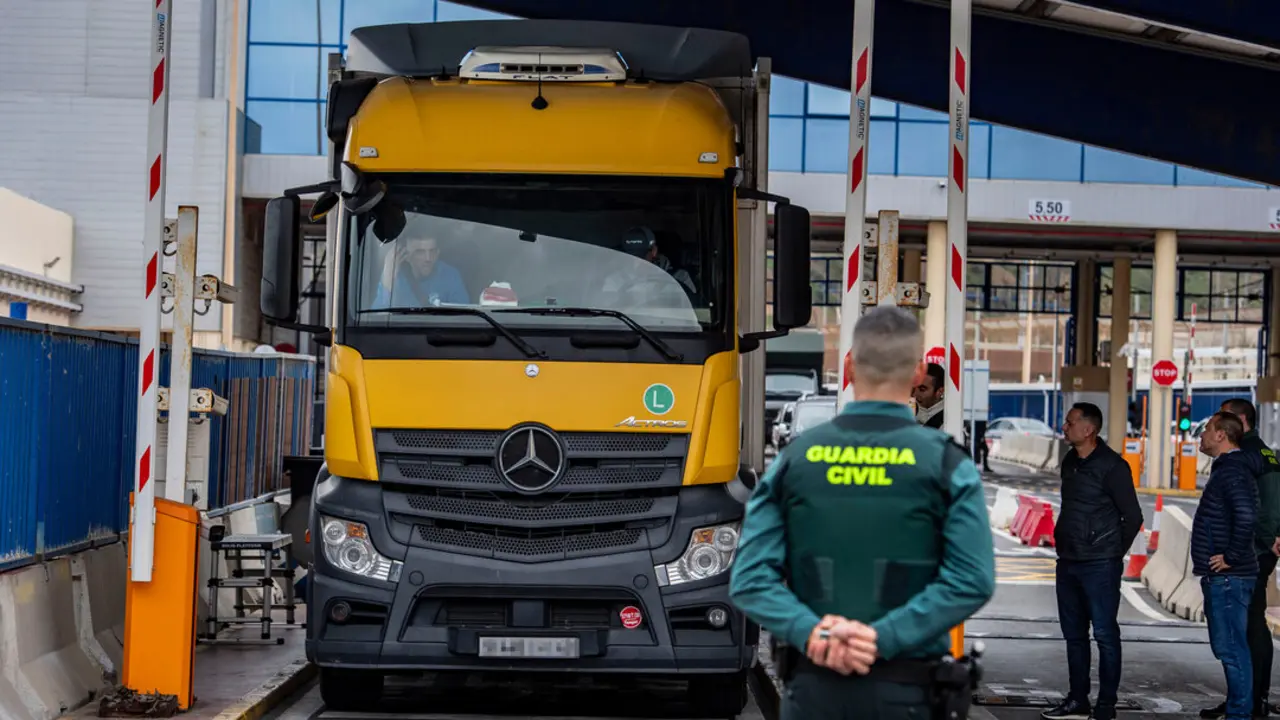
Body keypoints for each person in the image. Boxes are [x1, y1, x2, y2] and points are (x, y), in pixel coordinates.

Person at [729, 306, 996, 720]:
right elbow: (972, 580)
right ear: (918, 373)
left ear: (849, 367)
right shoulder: (946, 465)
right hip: (910, 695)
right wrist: (881, 638)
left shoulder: (795, 461)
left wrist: (813, 631)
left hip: (815, 689)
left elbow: (749, 579)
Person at [1043, 402, 1143, 720]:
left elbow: (1134, 516)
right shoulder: (1070, 460)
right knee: (1074, 635)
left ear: (1089, 430)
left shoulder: (1113, 467)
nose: (1064, 427)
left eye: (1070, 422)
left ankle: (1106, 704)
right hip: (1068, 560)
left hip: (1100, 563)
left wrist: (1113, 551)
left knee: (1104, 634)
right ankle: (1077, 698)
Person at [1199, 399, 1280, 720]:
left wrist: (1245, 549)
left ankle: (1249, 702)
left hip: (1250, 554)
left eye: (1224, 416)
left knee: (1245, 629)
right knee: (1248, 626)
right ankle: (1245, 699)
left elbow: (1263, 508)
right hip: (1254, 549)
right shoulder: (1261, 453)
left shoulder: (1249, 456)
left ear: (1240, 420)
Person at [1194, 411, 1261, 720]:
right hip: (1226, 577)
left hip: (1229, 577)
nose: (1202, 435)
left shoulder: (1232, 471)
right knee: (1229, 649)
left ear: (1221, 435)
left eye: (1207, 429)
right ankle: (1239, 710)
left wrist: (1231, 557)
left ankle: (1239, 714)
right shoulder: (1229, 469)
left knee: (1232, 649)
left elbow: (1247, 516)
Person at [372, 236, 470, 308]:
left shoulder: (450, 275)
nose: (428, 258)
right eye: (420, 252)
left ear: (438, 252)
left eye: (432, 251)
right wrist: (389, 275)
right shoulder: (394, 276)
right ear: (406, 255)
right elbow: (377, 318)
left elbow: (464, 316)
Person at [912, 363, 946, 430]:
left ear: (939, 392)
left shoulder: (948, 421)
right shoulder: (908, 411)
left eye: (922, 389)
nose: (914, 394)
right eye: (913, 388)